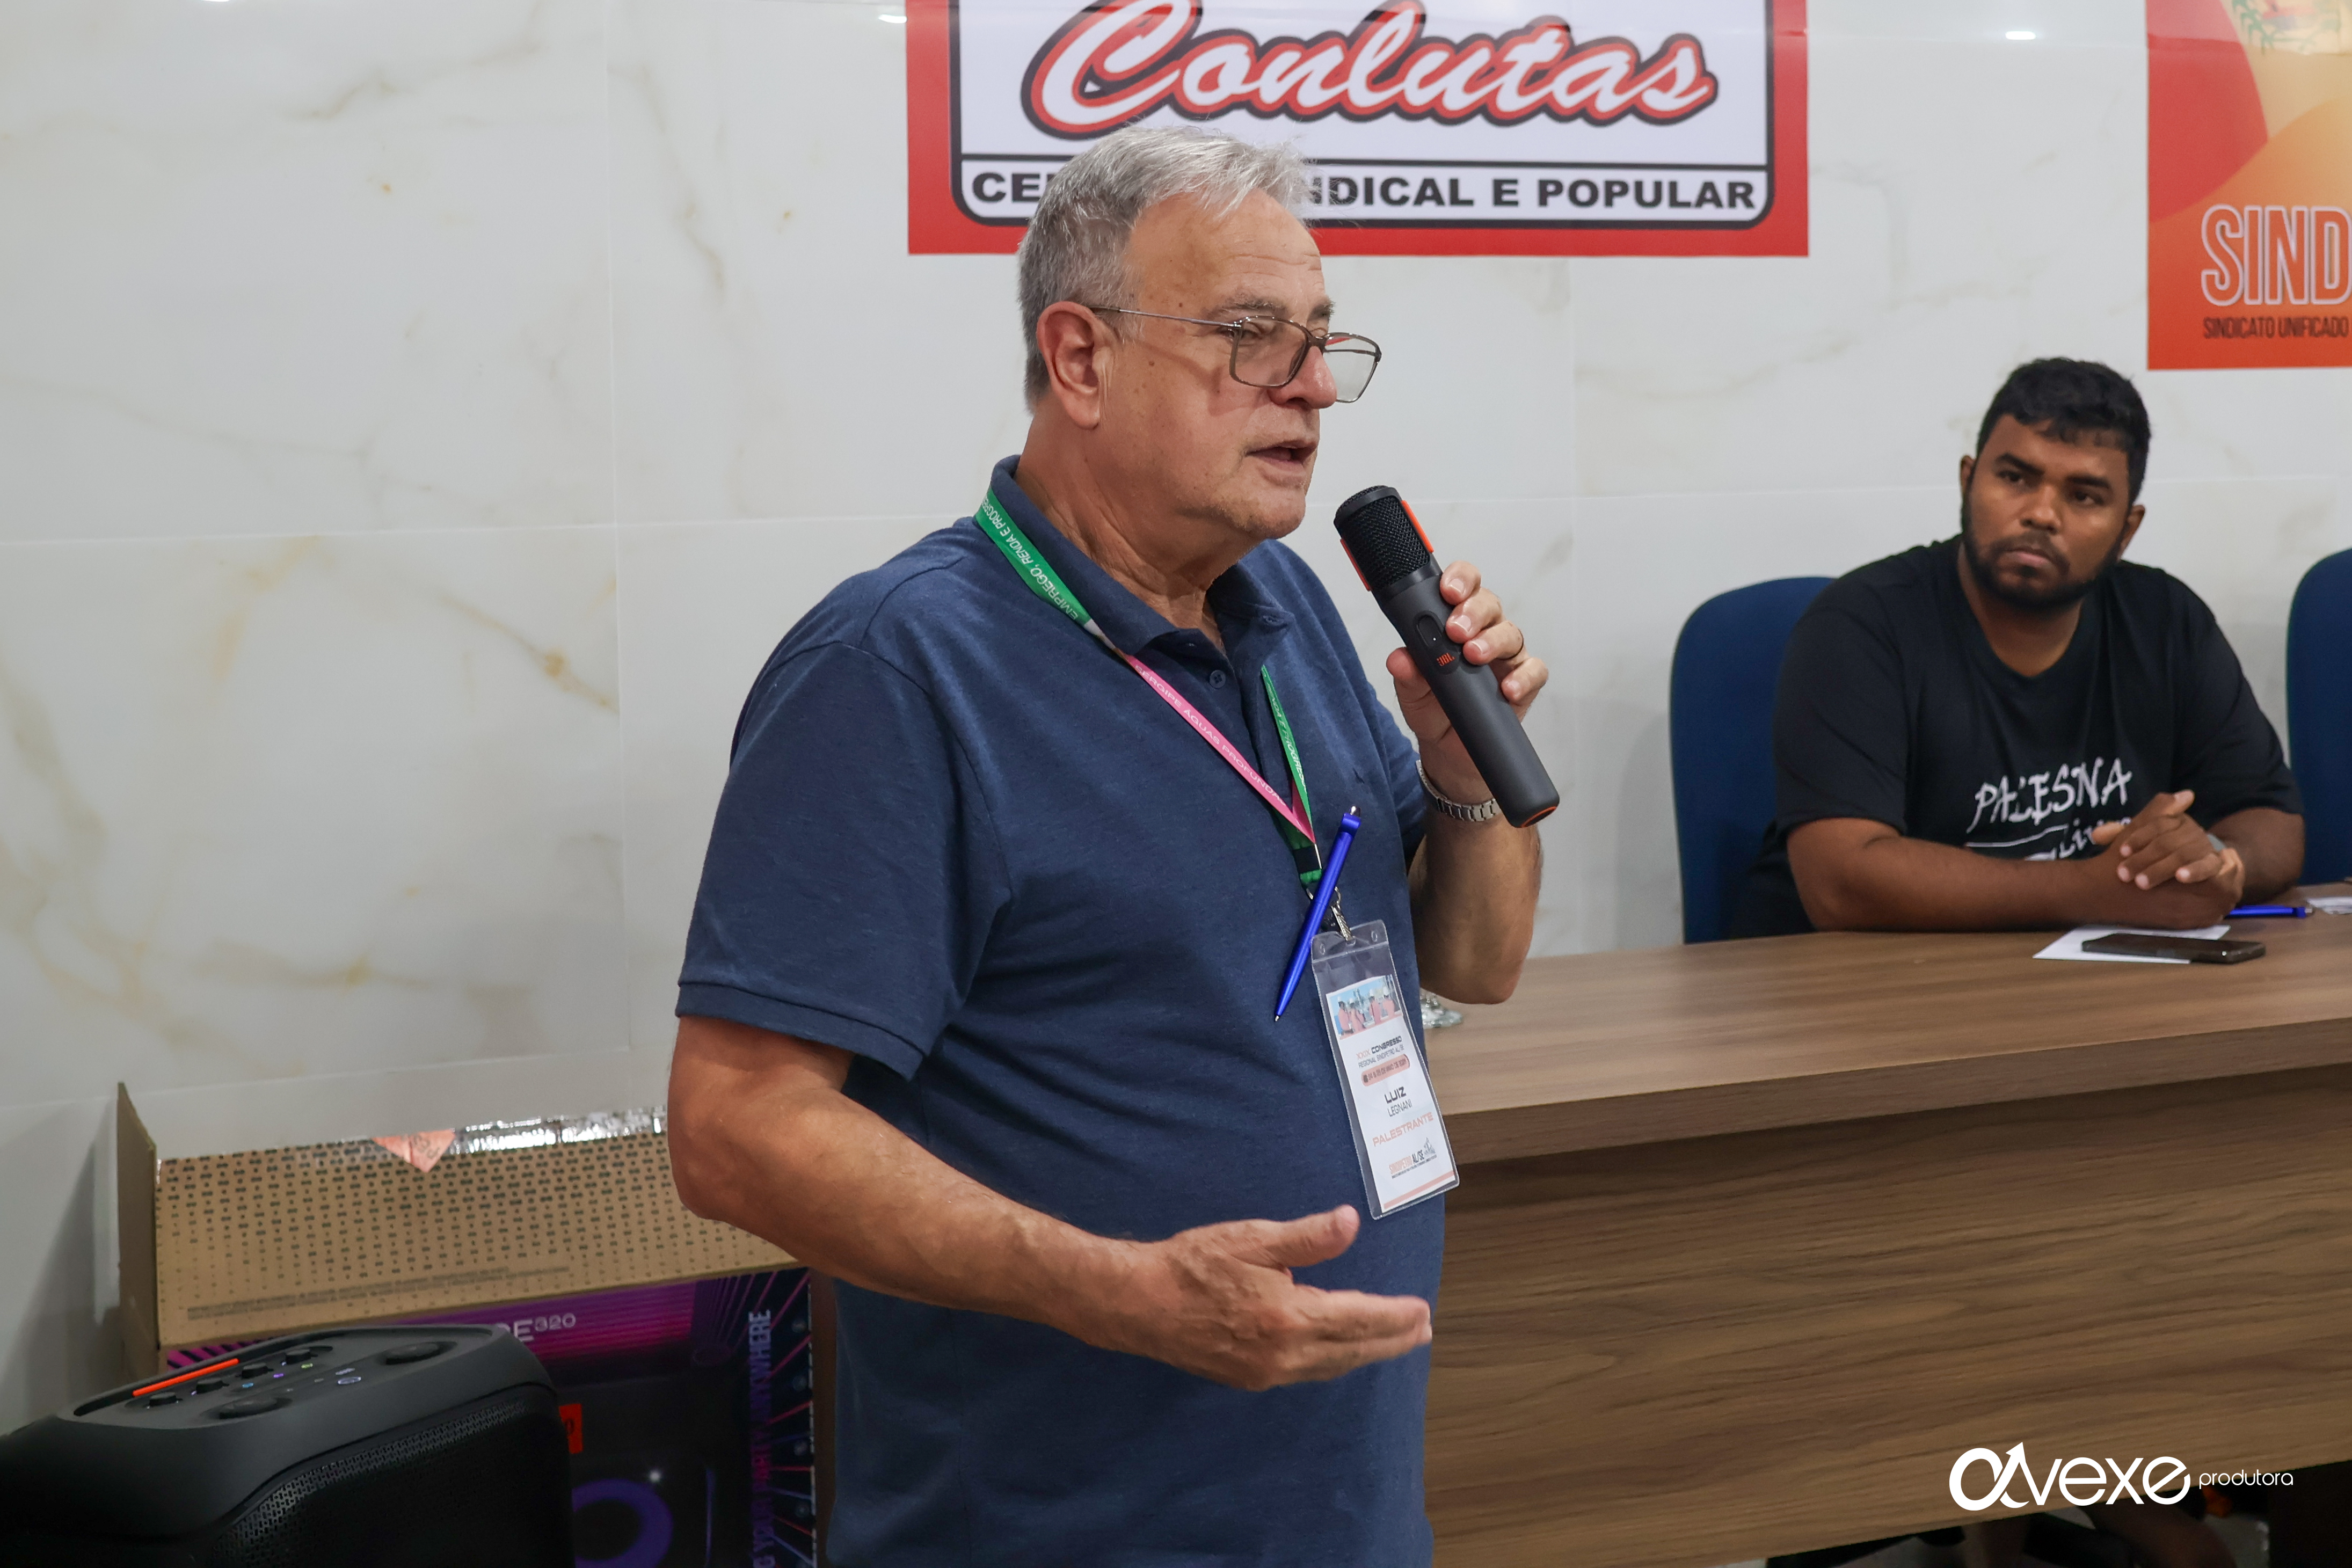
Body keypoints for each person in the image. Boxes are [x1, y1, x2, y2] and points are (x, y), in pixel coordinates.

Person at [663, 127, 1547, 1567]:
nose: (1312, 388)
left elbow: (1473, 959)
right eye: (1250, 339)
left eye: (1321, 341)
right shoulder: (898, 668)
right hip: (1050, 1523)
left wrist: (1460, 777)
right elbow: (735, 1128)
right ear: (1078, 359)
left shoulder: (1287, 608)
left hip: (1337, 1513)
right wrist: (1117, 1290)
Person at [1730, 357, 2303, 941]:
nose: (2040, 513)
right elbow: (1839, 882)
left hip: (2079, 976)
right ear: (1968, 481)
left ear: (2125, 530)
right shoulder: (1860, 625)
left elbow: (2272, 820)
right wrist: (2094, 889)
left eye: (2084, 496)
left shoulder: (2166, 620)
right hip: (1852, 983)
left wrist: (2215, 863)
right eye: (2014, 478)